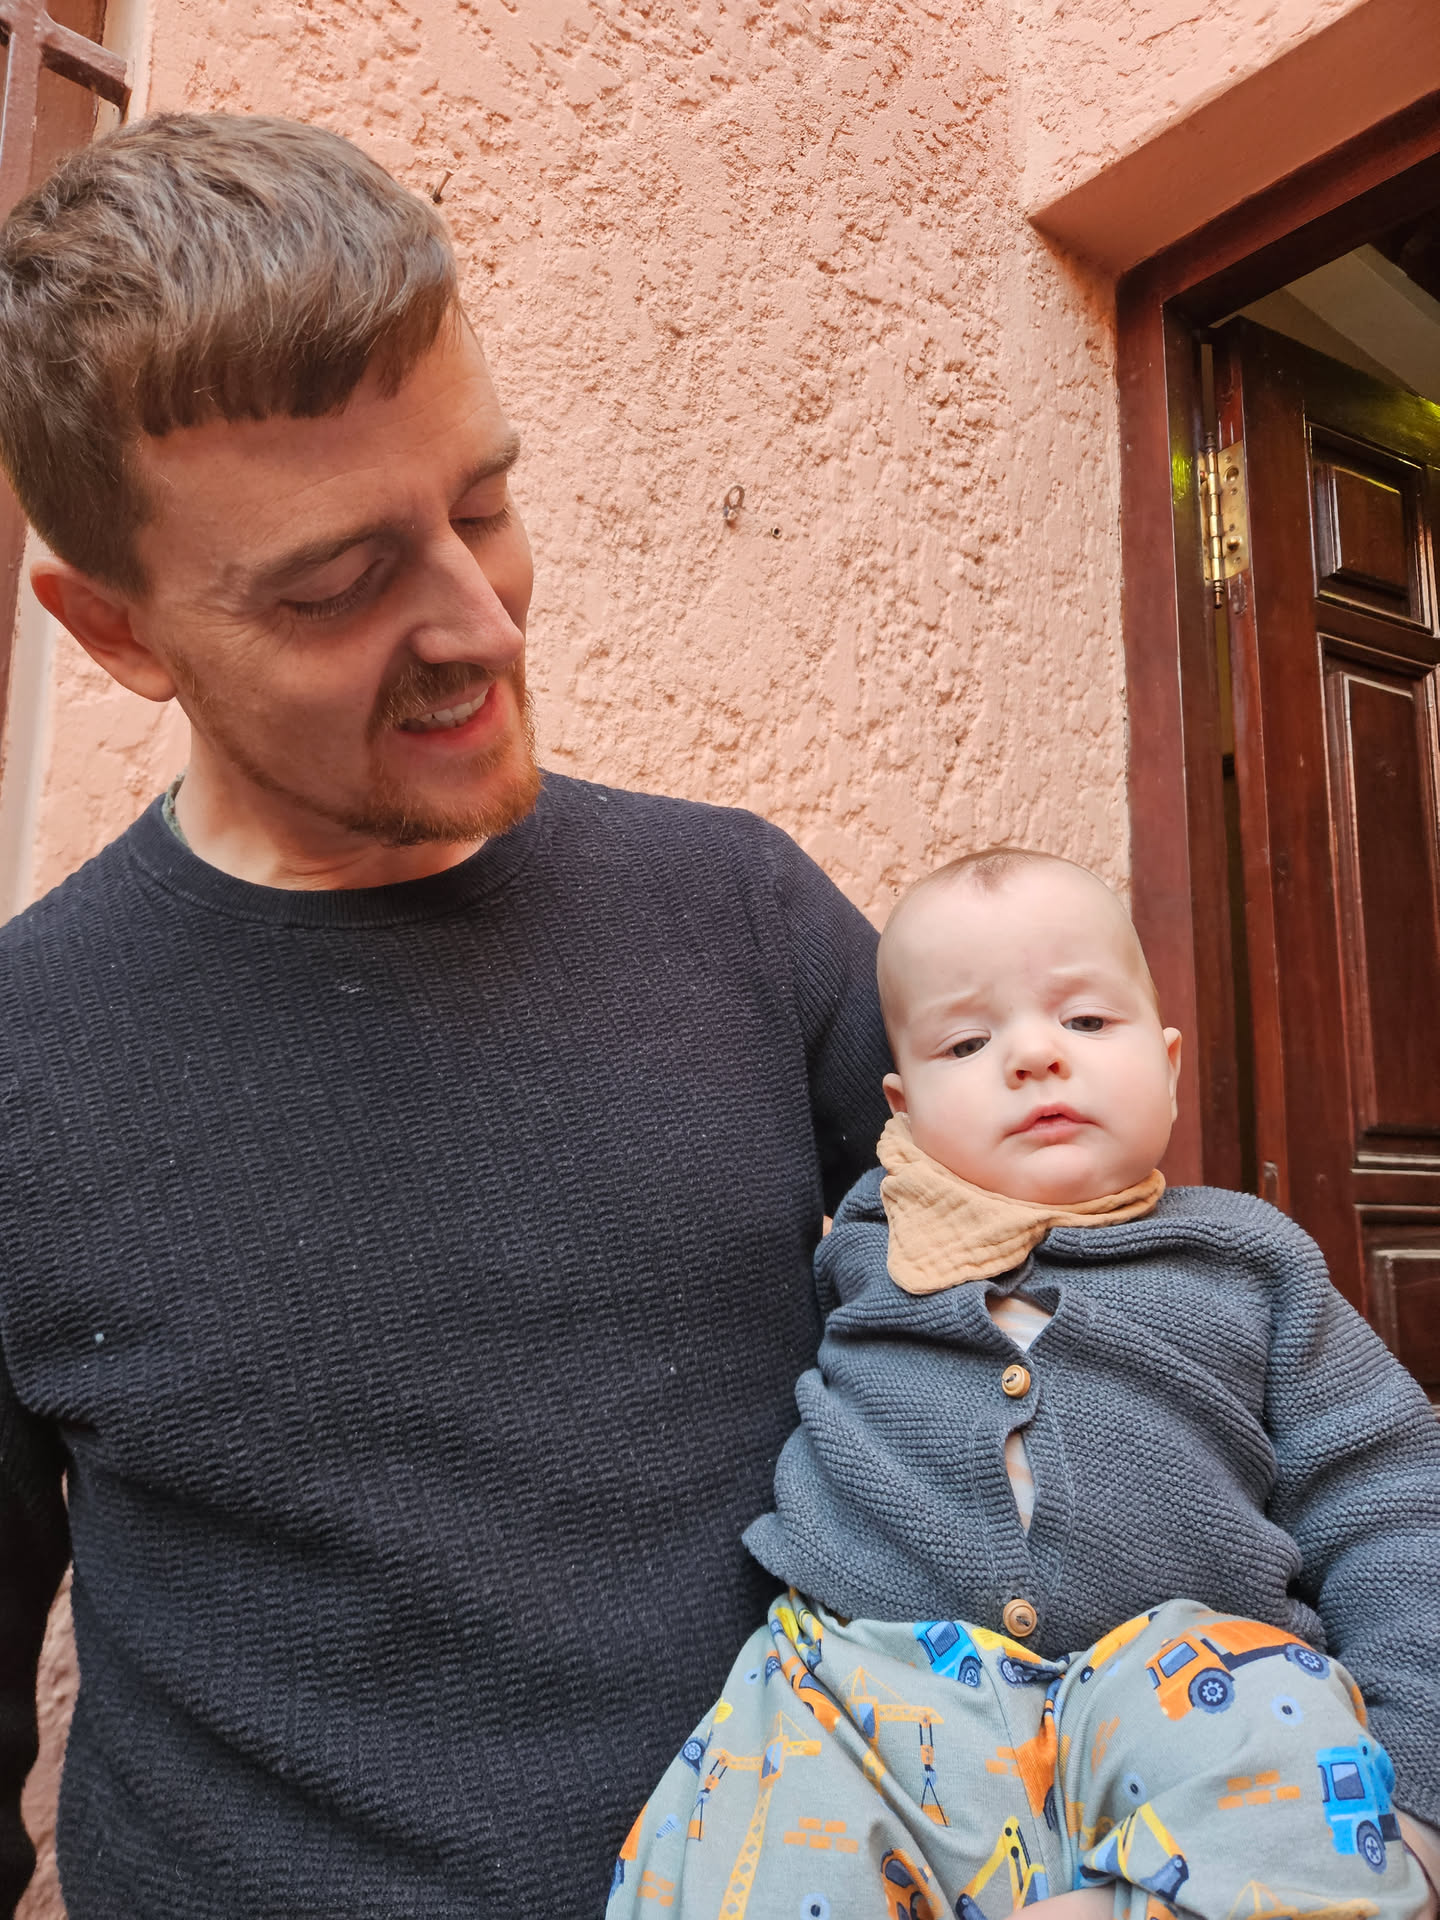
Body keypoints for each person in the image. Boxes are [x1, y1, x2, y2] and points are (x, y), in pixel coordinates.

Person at [0, 114, 892, 1918]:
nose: (483, 625)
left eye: (482, 505)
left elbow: (1111, 1341)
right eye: (339, 584)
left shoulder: (748, 911)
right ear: (116, 633)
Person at [610, 848, 1440, 1920]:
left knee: (1300, 1752)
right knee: (740, 1813)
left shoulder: (1250, 1262)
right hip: (874, 1694)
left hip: (1181, 1688)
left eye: (1087, 1021)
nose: (1037, 1055)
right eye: (968, 1042)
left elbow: (1392, 1502)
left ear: (1169, 1065)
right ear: (903, 1107)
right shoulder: (864, 1248)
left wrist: (1420, 1787)